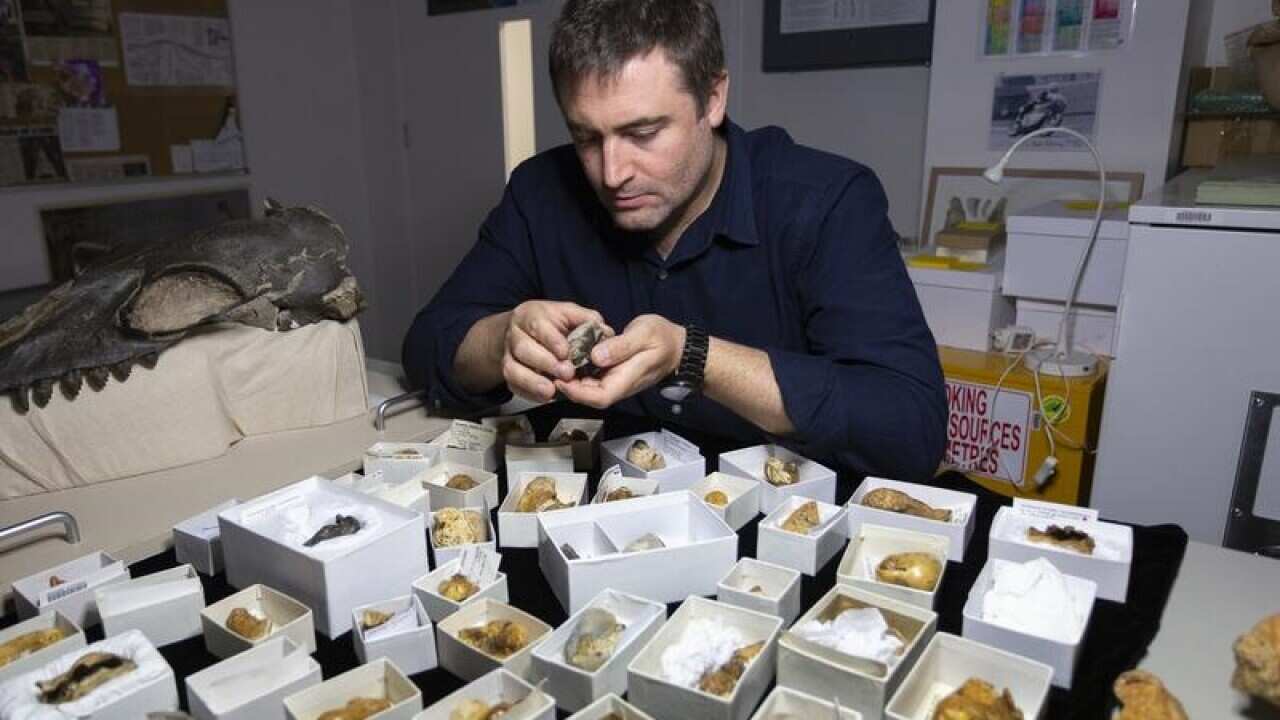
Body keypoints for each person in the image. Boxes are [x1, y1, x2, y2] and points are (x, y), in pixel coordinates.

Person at [403, 0, 946, 481]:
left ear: (713, 98)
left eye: (642, 134)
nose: (613, 173)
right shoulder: (541, 193)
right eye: (586, 137)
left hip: (779, 528)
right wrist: (501, 340)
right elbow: (426, 348)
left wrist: (693, 358)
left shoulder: (827, 202)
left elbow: (909, 429)